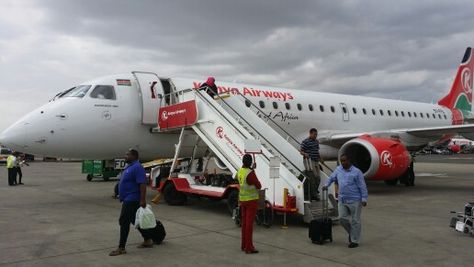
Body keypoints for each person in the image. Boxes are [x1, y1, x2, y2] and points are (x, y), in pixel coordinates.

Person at [109, 149, 152, 256]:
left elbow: (142, 184)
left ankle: (121, 247)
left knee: (124, 222)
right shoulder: (130, 166)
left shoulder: (137, 167)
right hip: (128, 198)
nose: (125, 156)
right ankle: (148, 240)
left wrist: (142, 199)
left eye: (128, 155)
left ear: (134, 156)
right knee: (135, 221)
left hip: (132, 199)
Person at [323, 154, 368, 248]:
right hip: (342, 199)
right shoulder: (338, 169)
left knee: (355, 221)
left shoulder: (357, 172)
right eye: (341, 161)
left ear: (349, 161)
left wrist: (364, 198)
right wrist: (326, 184)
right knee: (342, 219)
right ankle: (352, 234)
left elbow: (362, 186)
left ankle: (354, 241)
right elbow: (331, 178)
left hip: (355, 200)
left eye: (344, 161)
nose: (343, 163)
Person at [237, 154, 261, 254]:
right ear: (250, 162)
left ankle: (243, 245)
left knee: (244, 224)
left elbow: (246, 178)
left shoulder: (240, 171)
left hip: (243, 200)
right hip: (251, 201)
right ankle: (249, 247)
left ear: (243, 161)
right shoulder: (250, 173)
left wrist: (252, 169)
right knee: (249, 225)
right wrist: (252, 171)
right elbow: (259, 185)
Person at [300, 128, 323, 201]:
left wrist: (320, 159)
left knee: (318, 178)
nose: (316, 136)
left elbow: (317, 151)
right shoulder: (305, 141)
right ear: (310, 133)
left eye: (316, 134)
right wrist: (305, 154)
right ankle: (314, 194)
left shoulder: (316, 142)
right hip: (309, 161)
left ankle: (314, 192)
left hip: (316, 161)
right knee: (313, 177)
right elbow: (300, 151)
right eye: (314, 134)